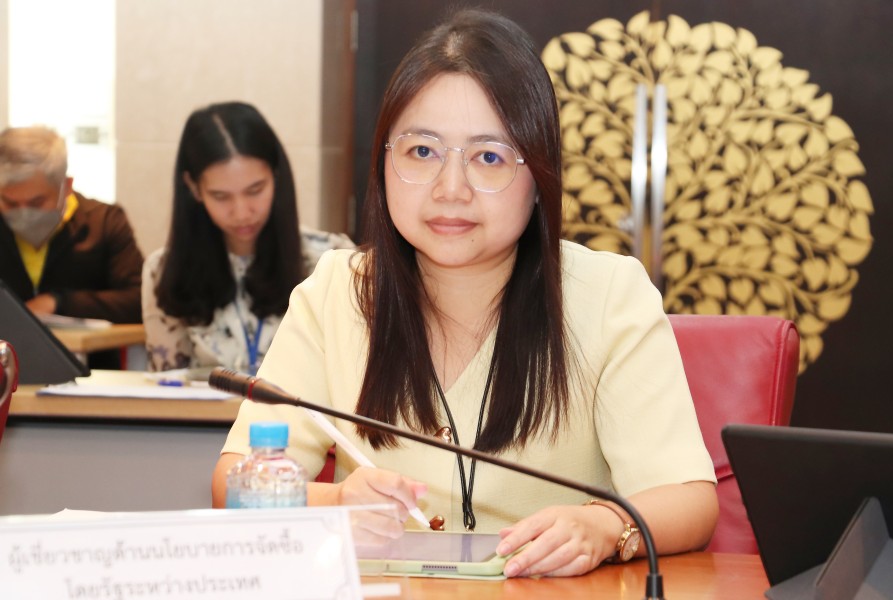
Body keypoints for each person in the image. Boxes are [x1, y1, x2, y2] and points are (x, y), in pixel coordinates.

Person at [213, 9, 718, 578]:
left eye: (489, 157)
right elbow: (235, 484)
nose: (450, 189)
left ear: (539, 177)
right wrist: (334, 504)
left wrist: (604, 526)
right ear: (383, 163)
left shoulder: (609, 295)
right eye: (422, 152)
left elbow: (689, 501)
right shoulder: (337, 291)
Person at [142, 101, 353, 374]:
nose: (242, 212)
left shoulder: (333, 260)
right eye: (221, 196)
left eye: (255, 190)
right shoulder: (163, 272)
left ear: (276, 176)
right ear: (194, 188)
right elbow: (167, 384)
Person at [0, 126, 143, 368]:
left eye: (37, 202)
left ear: (66, 187)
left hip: (94, 376)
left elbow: (138, 300)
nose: (23, 213)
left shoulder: (105, 222)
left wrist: (59, 303)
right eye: (10, 202)